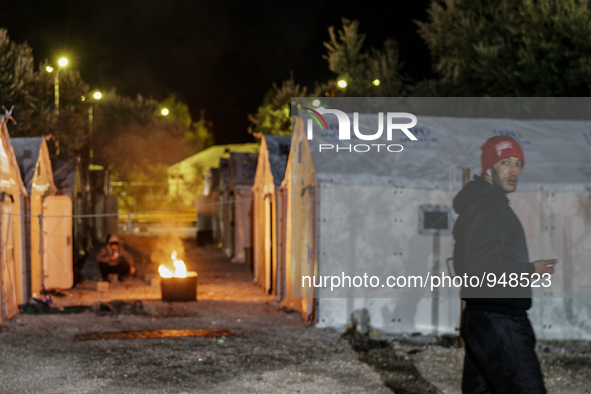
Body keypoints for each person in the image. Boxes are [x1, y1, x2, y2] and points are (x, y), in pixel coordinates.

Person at [452, 135, 558, 393]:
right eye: (504, 163)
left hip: (482, 316)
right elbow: (481, 267)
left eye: (518, 163)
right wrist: (531, 270)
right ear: (488, 168)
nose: (513, 170)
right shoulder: (488, 206)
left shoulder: (480, 204)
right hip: (499, 319)